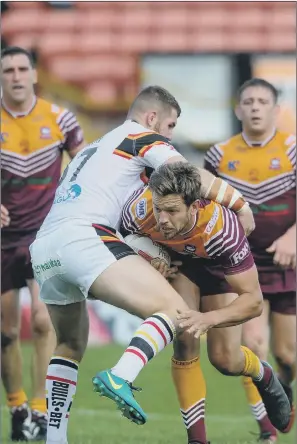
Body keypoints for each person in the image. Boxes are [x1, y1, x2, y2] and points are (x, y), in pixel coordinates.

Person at [29, 85, 256, 444]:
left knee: (69, 344)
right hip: (84, 236)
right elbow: (189, 175)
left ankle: (54, 439)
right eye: (171, 126)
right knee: (175, 310)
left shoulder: (93, 146)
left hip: (44, 246)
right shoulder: (140, 136)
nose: (170, 136)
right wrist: (241, 206)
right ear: (153, 118)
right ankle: (121, 375)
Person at [121, 161, 293, 443]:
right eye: (158, 208)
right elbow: (116, 239)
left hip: (217, 268)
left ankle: (262, 372)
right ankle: (197, 440)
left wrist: (209, 319)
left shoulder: (223, 231)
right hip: (181, 265)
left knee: (225, 360)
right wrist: (147, 260)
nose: (162, 219)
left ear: (194, 206)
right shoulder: (138, 211)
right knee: (185, 337)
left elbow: (254, 301)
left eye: (172, 211)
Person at [204, 78, 296, 442]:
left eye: (263, 101)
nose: (255, 106)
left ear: (276, 109)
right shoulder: (218, 154)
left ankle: (282, 392)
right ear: (237, 109)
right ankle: (267, 430)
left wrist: (293, 235)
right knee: (253, 345)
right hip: (242, 263)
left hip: (287, 261)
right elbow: (206, 207)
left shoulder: (291, 149)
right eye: (249, 101)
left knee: (287, 355)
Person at [1, 46, 85, 441]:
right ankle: (17, 407)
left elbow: (85, 167)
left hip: (44, 235)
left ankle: (39, 409)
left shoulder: (60, 119)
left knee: (39, 319)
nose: (16, 76)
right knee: (5, 332)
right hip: (3, 240)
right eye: (8, 70)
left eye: (22, 69)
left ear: (34, 75)